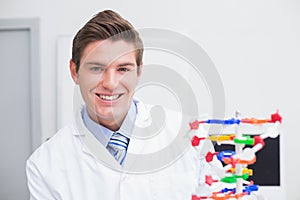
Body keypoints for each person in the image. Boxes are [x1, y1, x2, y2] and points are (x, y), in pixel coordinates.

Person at [26, 10, 217, 200]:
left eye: (123, 69)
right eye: (96, 68)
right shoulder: (44, 165)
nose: (110, 83)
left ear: (139, 72)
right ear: (75, 72)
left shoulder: (190, 136)